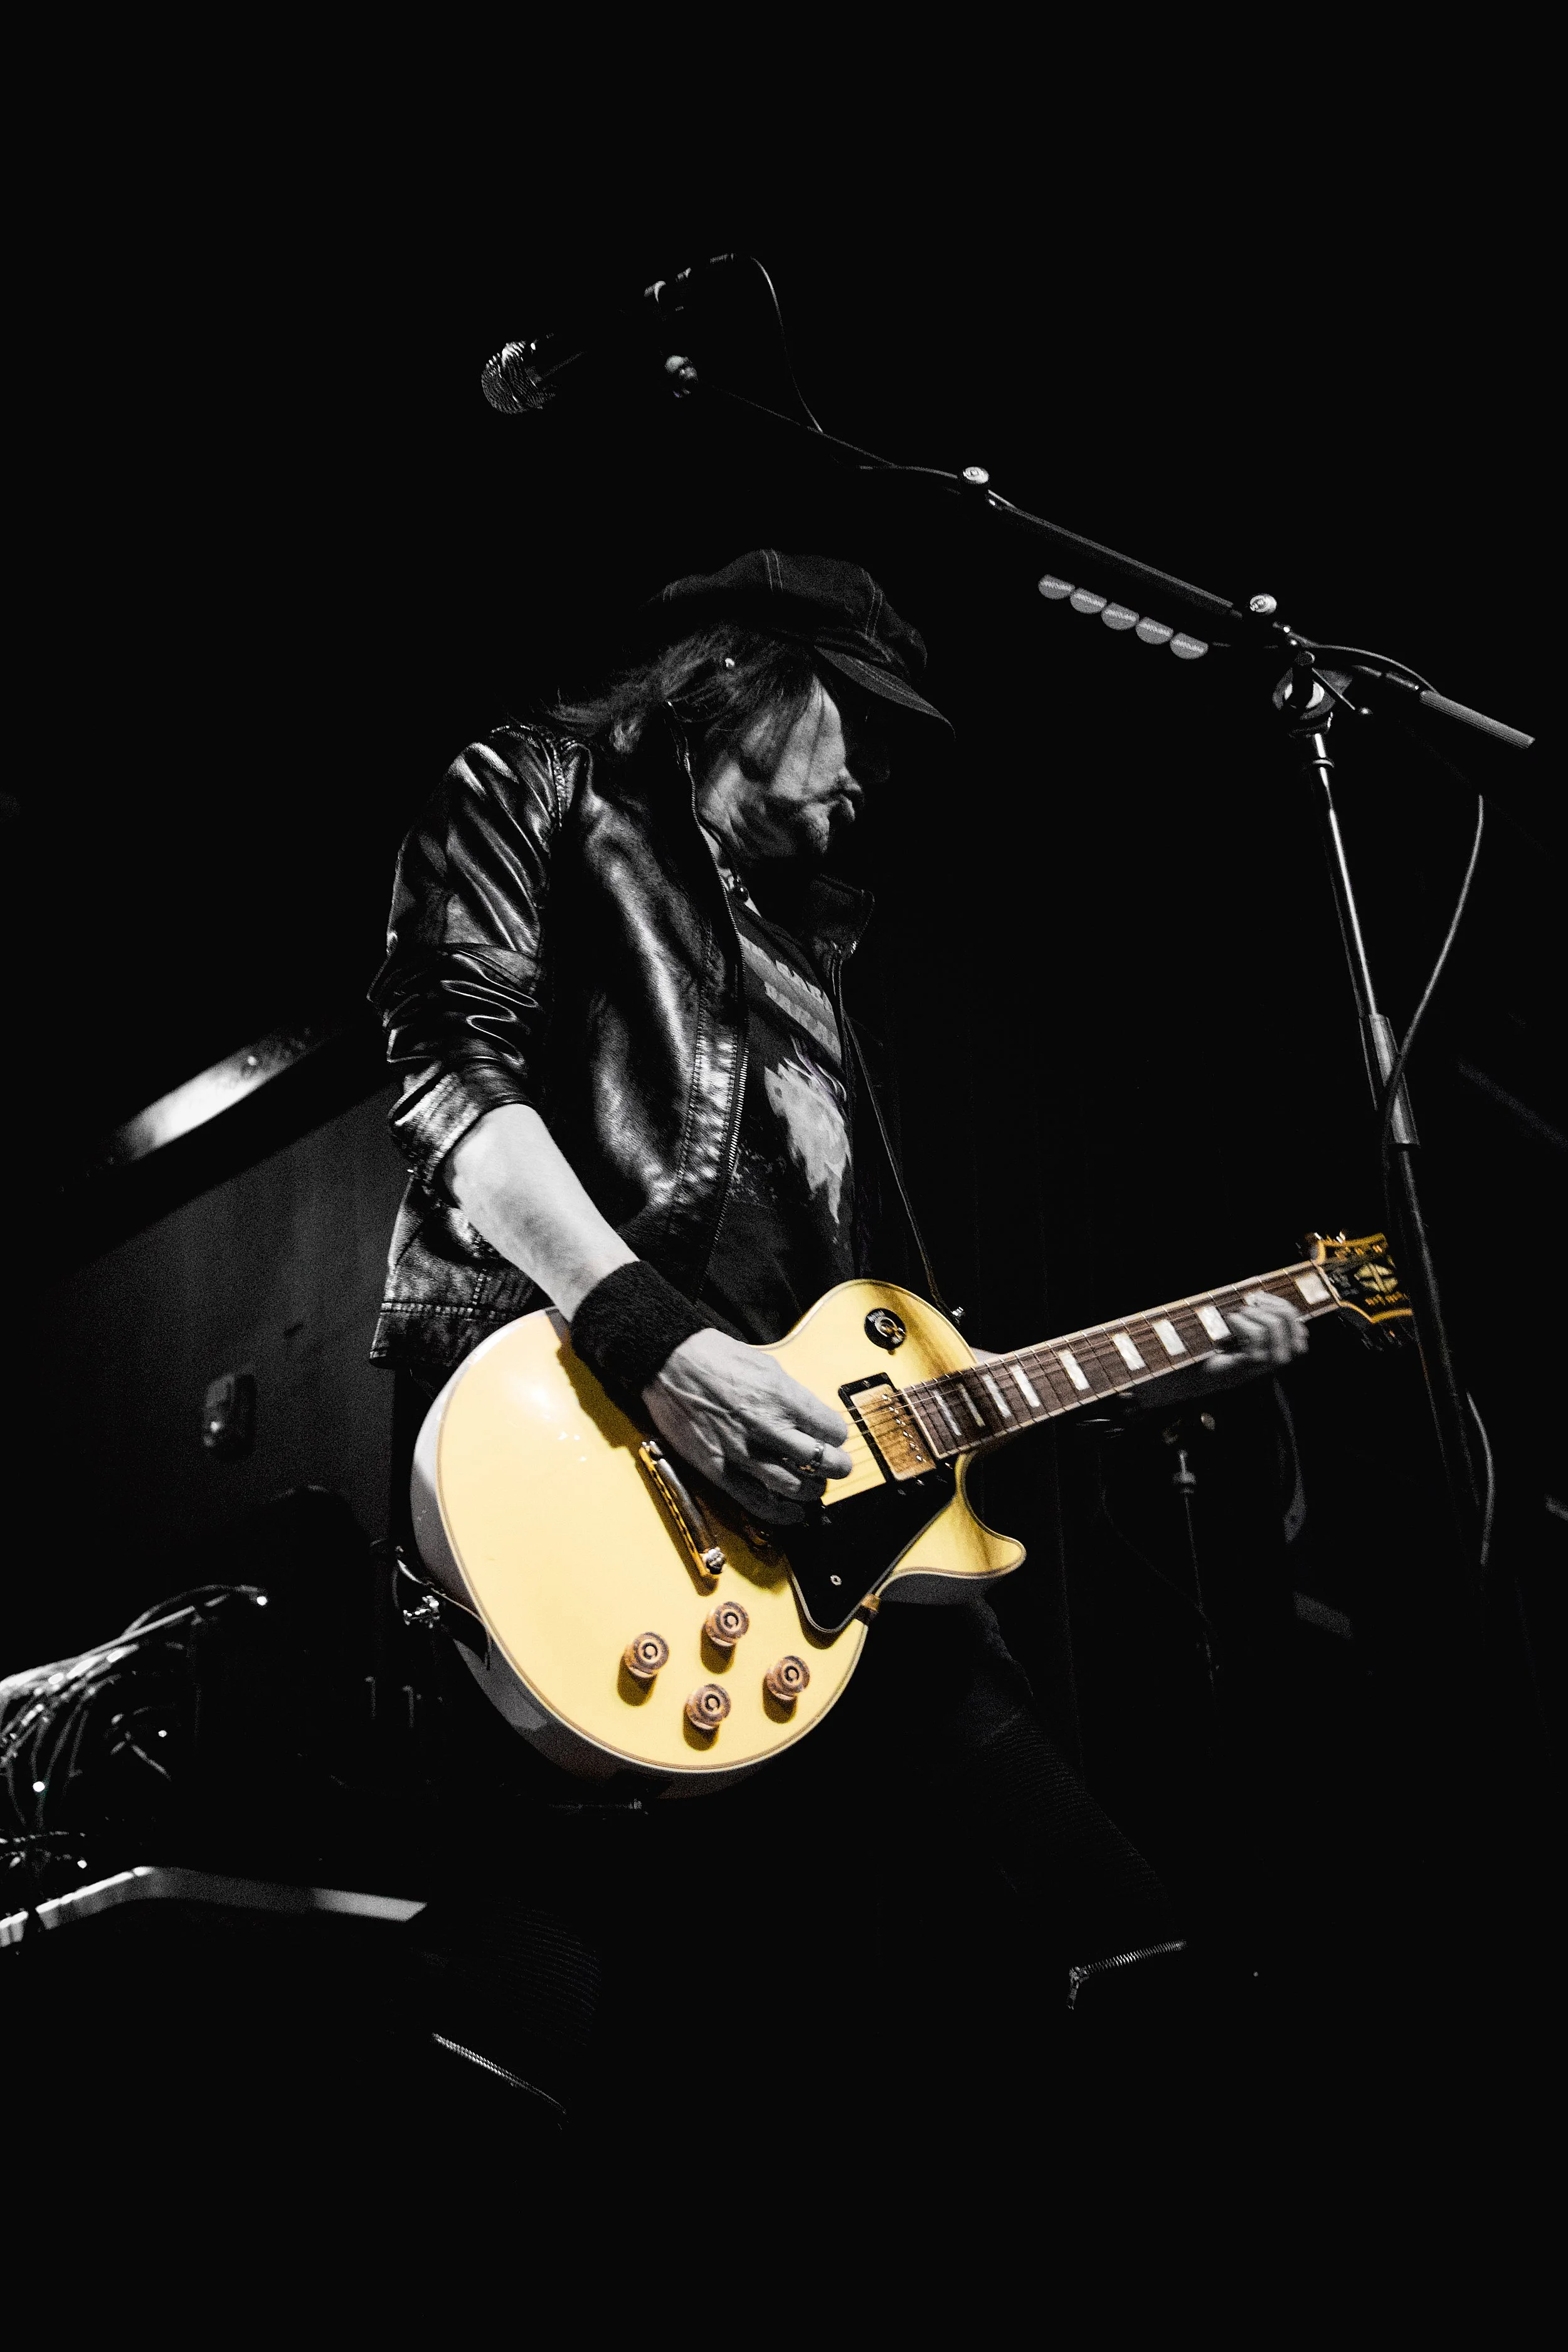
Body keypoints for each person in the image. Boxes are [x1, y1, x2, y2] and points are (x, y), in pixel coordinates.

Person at [368, 550, 1306, 2103]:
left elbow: (850, 1327)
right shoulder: (534, 786)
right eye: (849, 722)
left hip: (823, 1533)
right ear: (738, 676)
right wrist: (654, 1343)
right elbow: (446, 1076)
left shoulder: (813, 954)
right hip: (598, 1434)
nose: (866, 779)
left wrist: (1121, 1385)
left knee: (1050, 1947)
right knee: (720, 2007)